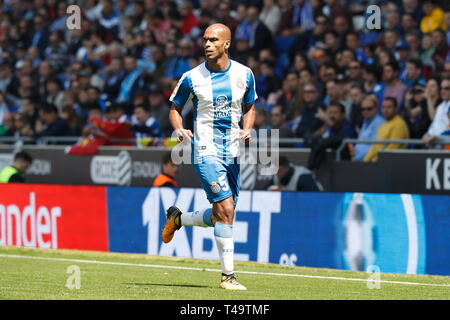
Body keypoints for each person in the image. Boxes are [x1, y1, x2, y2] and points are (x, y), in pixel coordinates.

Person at [162, 23, 257, 291]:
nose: (207, 44)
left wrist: (247, 130)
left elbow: (250, 107)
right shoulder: (192, 77)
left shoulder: (245, 74)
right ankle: (228, 277)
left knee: (221, 215)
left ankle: (178, 219)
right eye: (205, 39)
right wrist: (179, 128)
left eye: (213, 40)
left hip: (233, 151)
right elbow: (175, 108)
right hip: (205, 150)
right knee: (226, 210)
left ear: (227, 44)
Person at [364, 97, 410, 162]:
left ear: (395, 108)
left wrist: (375, 161)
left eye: (389, 107)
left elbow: (393, 147)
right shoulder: (383, 125)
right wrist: (365, 161)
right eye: (383, 107)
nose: (385, 110)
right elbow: (375, 147)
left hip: (390, 164)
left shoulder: (399, 124)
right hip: (376, 163)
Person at [354, 97, 385, 161]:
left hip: (369, 161)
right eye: (363, 109)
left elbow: (375, 147)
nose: (365, 111)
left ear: (376, 109)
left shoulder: (379, 122)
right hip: (359, 160)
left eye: (369, 109)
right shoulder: (365, 122)